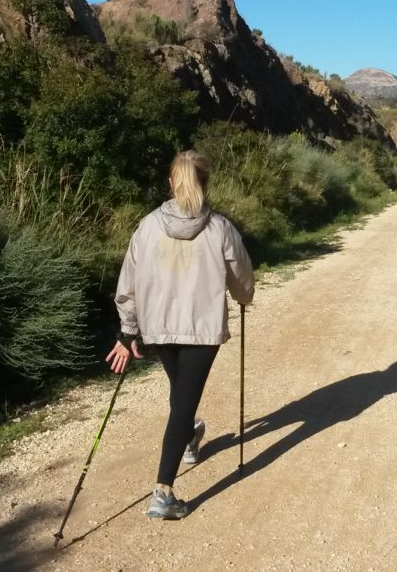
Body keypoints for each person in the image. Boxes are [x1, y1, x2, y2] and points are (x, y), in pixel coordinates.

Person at [106, 150, 256, 521]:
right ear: (205, 183)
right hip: (201, 330)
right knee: (184, 403)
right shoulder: (220, 228)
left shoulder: (147, 226)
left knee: (182, 396)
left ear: (171, 183)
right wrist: (243, 297)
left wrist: (128, 331)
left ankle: (189, 434)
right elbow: (241, 276)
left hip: (158, 327)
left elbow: (128, 283)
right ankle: (163, 493)